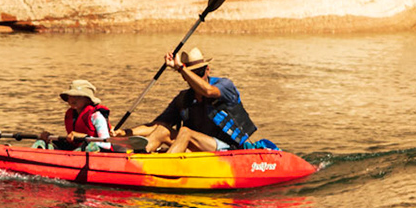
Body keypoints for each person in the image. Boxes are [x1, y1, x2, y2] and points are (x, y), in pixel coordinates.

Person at [141, 48, 277, 154]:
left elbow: (208, 91)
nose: (197, 78)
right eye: (192, 74)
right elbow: (155, 126)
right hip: (199, 149)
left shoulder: (224, 86)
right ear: (185, 77)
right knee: (161, 131)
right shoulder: (183, 99)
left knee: (185, 132)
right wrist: (124, 133)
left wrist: (181, 68)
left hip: (229, 150)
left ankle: (165, 168)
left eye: (199, 72)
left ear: (207, 69)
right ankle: (135, 160)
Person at [58, 80, 114, 152]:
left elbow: (107, 145)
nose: (72, 99)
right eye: (70, 96)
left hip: (100, 153)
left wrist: (84, 137)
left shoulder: (96, 116)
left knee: (90, 147)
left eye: (78, 96)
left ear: (88, 100)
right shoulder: (71, 115)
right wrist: (49, 137)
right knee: (45, 143)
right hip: (78, 149)